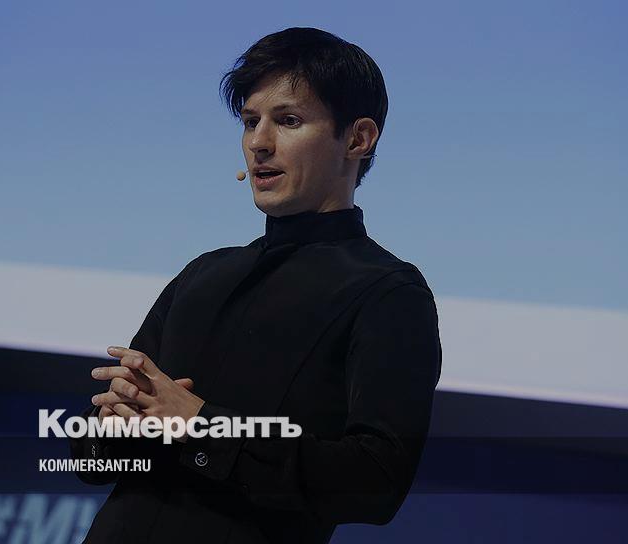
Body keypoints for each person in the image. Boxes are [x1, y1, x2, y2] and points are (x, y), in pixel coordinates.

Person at [69, 27, 442, 543]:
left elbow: (376, 483)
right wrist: (111, 425)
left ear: (358, 139)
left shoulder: (388, 293)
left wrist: (201, 428)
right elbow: (91, 462)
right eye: (250, 122)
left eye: (288, 121)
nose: (259, 144)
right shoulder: (203, 273)